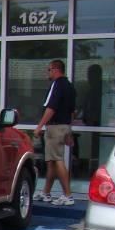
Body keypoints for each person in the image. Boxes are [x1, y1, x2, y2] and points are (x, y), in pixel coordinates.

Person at [33, 59, 76, 205]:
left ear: (56, 70)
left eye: (49, 69)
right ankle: (46, 193)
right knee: (51, 161)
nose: (48, 72)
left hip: (55, 128)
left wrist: (39, 127)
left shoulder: (57, 85)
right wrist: (69, 132)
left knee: (57, 160)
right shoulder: (70, 86)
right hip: (64, 127)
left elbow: (51, 108)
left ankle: (68, 195)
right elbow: (72, 112)